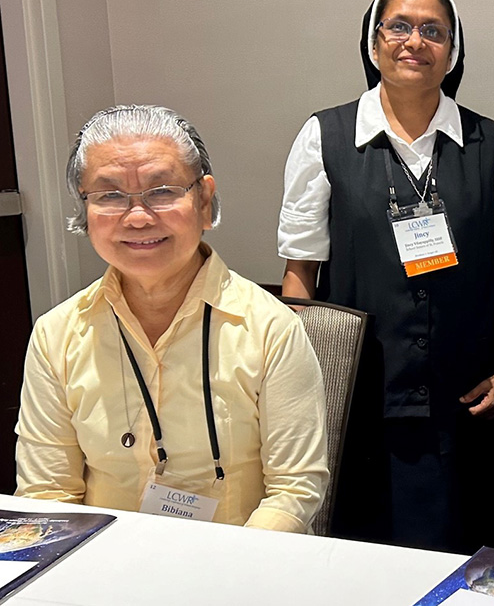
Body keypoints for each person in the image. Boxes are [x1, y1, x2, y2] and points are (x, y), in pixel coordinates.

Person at [278, 0, 494, 553]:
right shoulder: (325, 137)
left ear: (453, 50)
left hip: (466, 396)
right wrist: (313, 383)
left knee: (462, 548)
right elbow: (301, 272)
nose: (414, 41)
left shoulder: (490, 143)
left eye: (433, 31)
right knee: (366, 551)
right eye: (399, 26)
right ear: (374, 43)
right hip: (364, 396)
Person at [15, 105, 328, 533]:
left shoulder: (271, 328)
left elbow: (293, 490)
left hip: (239, 570)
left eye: (162, 190)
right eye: (109, 195)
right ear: (84, 211)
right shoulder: (57, 334)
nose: (138, 216)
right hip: (105, 573)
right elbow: (47, 494)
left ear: (203, 200)